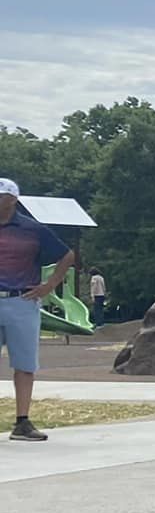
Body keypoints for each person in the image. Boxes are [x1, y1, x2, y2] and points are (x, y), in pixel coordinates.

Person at [0, 178, 75, 441]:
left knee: (24, 364)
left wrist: (49, 285)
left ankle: (22, 422)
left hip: (22, 300)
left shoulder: (32, 229)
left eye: (1, 196)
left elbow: (67, 255)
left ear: (13, 200)